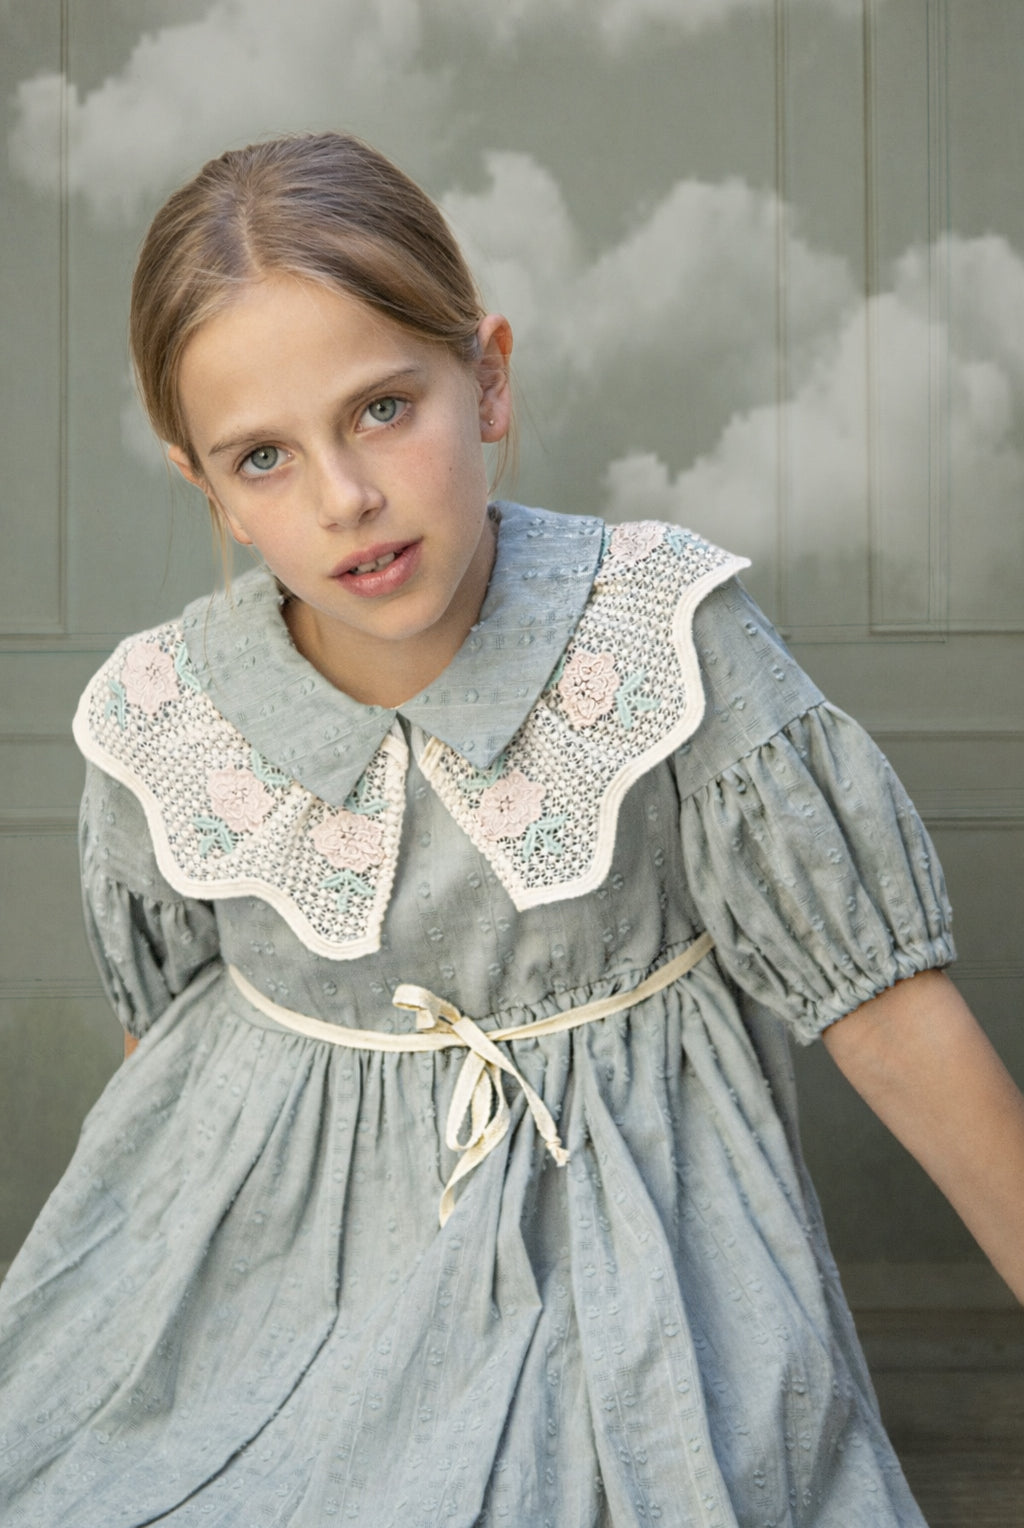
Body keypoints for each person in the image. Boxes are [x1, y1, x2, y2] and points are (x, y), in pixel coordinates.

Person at [0, 131, 1022, 1528]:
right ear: (209, 489)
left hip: (621, 1267)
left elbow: (894, 1019)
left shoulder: (662, 641)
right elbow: (160, 1069)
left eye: (379, 410)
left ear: (484, 377)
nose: (344, 499)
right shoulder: (164, 716)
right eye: (263, 457)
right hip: (275, 1289)